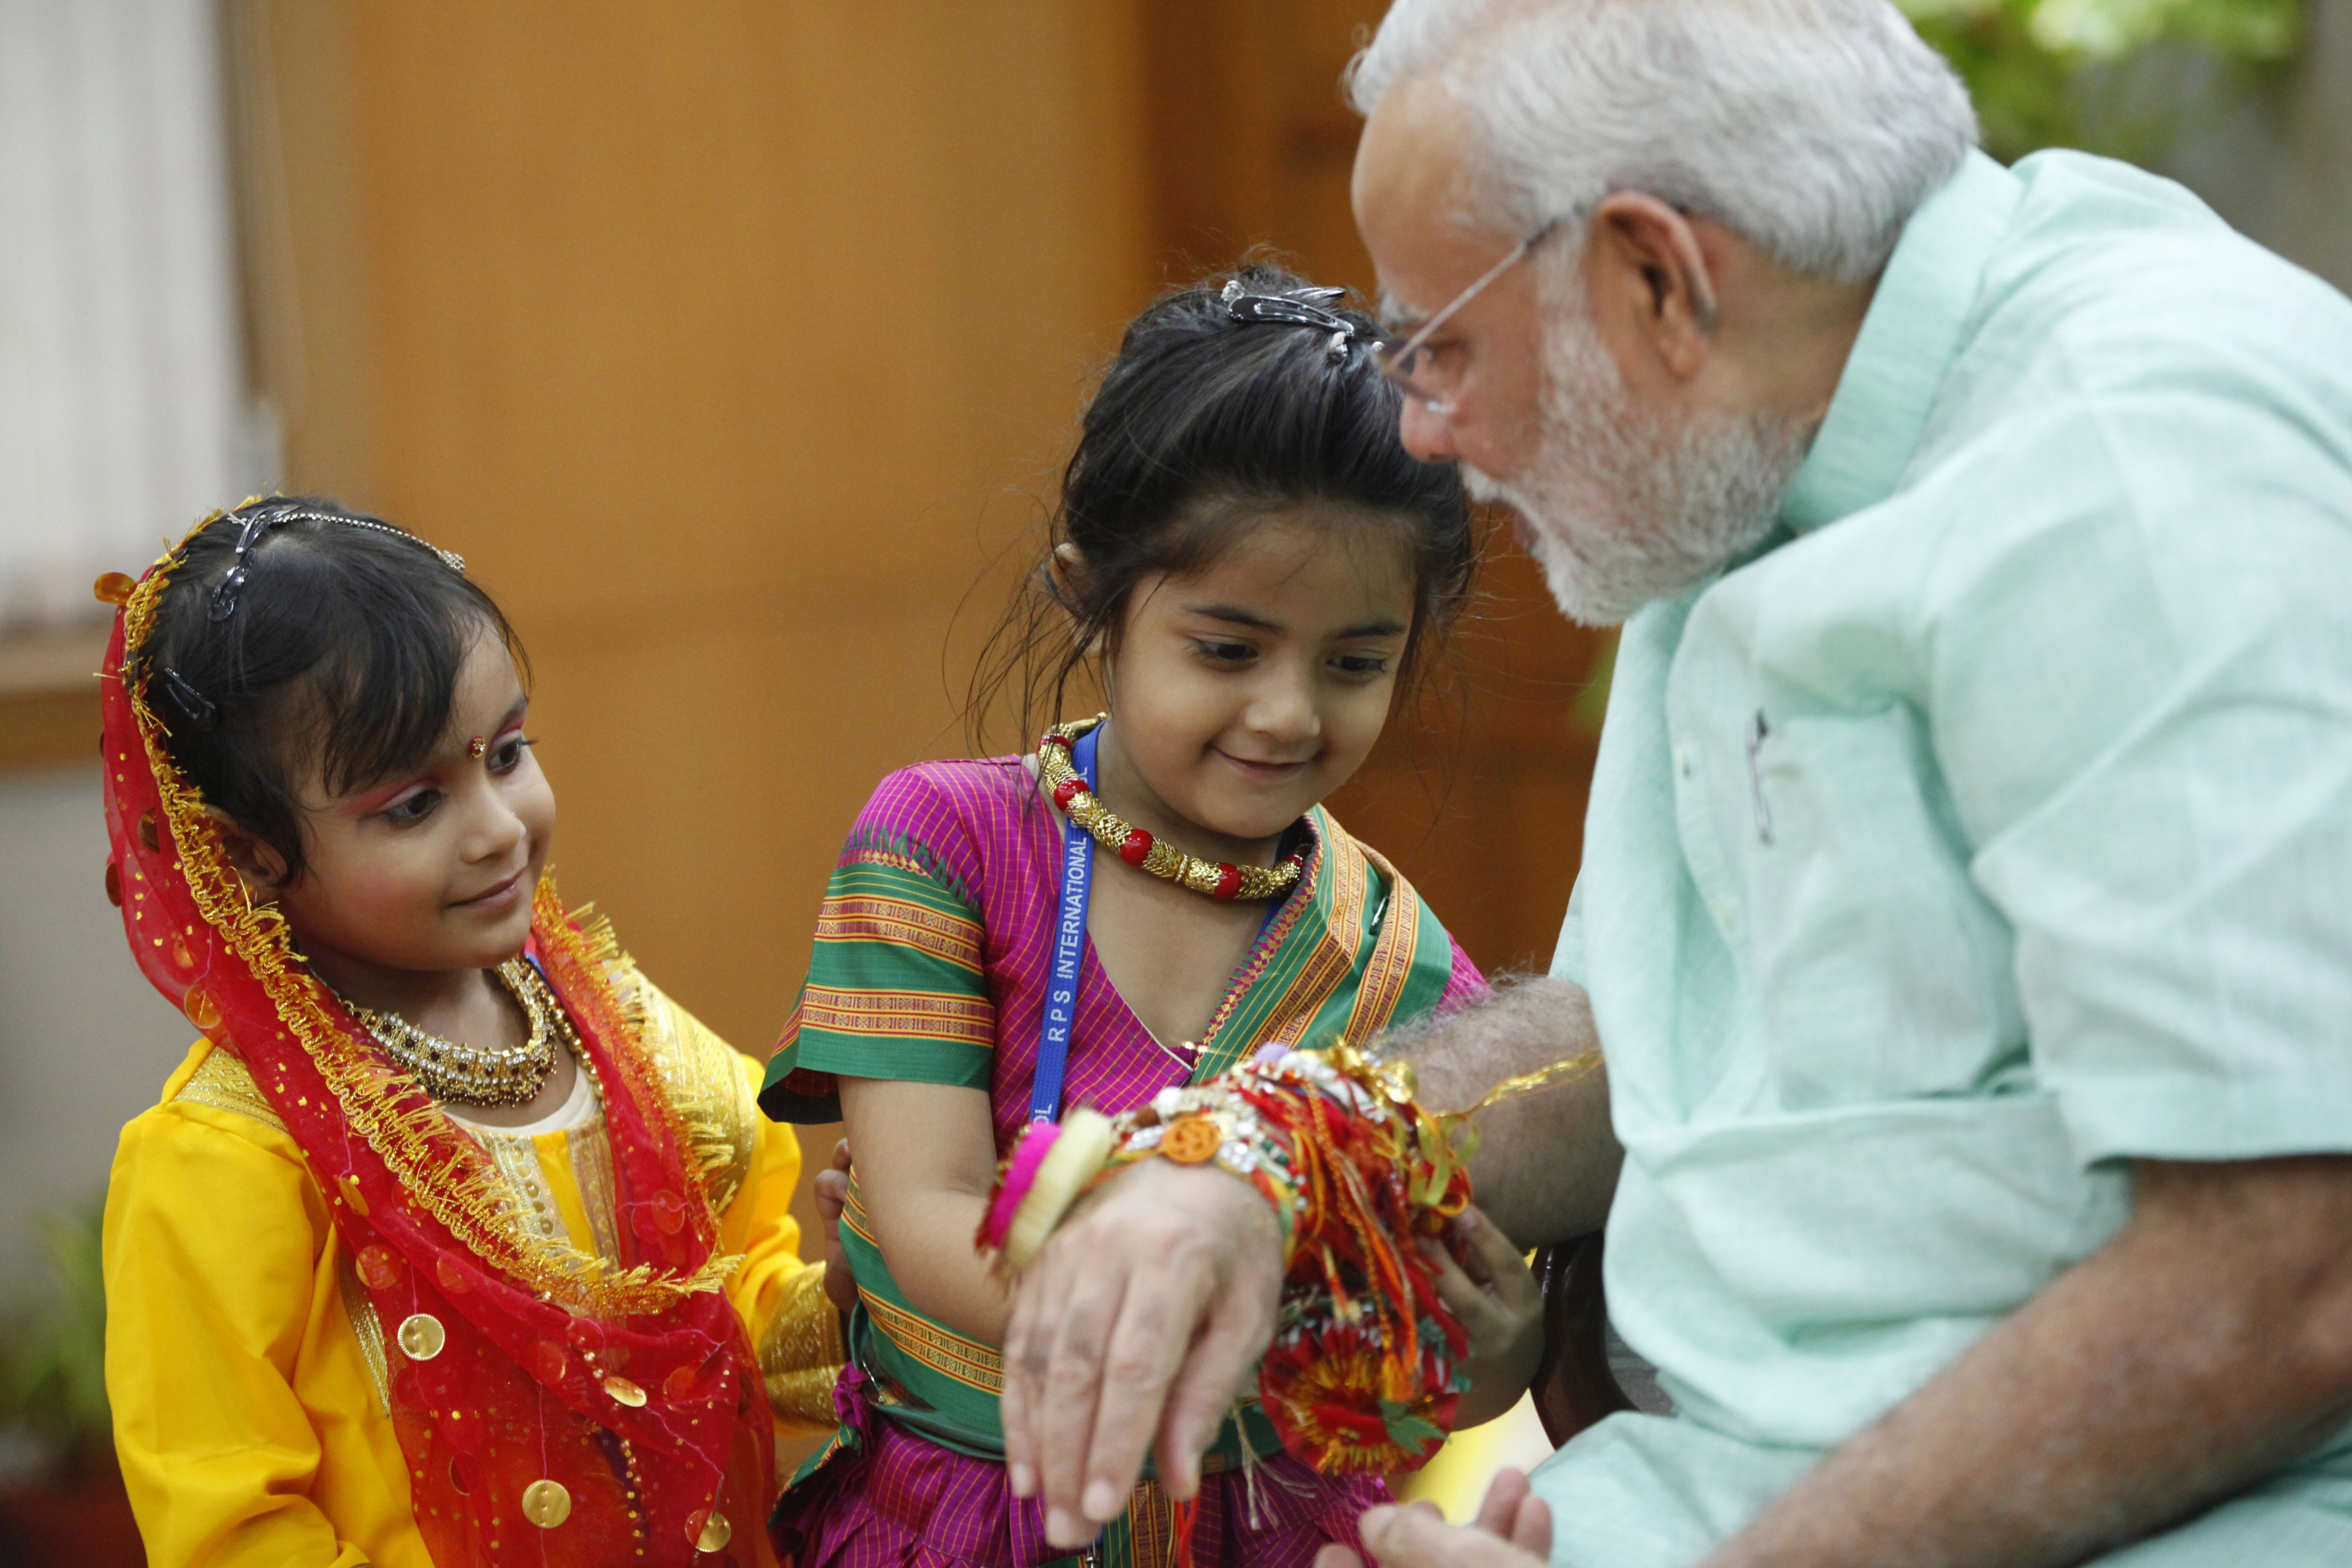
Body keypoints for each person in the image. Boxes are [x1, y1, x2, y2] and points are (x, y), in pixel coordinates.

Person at [988, 3, 2352, 1566]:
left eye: (1440, 348)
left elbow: (2290, 1276)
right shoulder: (1740, 451)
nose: (1427, 434)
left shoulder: (2140, 466)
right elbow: (1650, 1033)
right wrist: (1269, 1157)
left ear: (1657, 280)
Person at [757, 263, 1545, 1568]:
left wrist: (1497, 1354)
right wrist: (1237, 1291)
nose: (1291, 711)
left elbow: (1427, 1344)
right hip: (967, 1520)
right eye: (1228, 649)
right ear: (1090, 590)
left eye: (1355, 661)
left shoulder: (1401, 957)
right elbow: (922, 1207)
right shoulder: (943, 844)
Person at [98, 497, 848, 1568]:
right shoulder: (228, 1158)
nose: (499, 827)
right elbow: (233, 1530)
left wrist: (862, 1283)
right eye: (412, 805)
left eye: (506, 751)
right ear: (250, 849)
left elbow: (728, 1325)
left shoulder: (625, 1035)